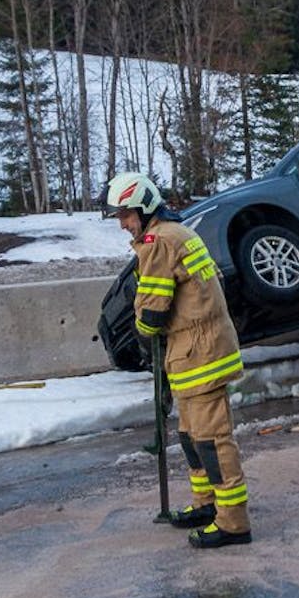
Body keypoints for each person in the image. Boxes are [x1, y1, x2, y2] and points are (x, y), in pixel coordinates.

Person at [103, 172, 251, 548]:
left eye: (125, 215)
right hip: (191, 354)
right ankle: (207, 504)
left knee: (213, 442)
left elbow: (152, 314)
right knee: (191, 437)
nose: (122, 224)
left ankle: (233, 522)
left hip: (200, 355)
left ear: (144, 208)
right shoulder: (176, 232)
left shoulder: (159, 242)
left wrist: (138, 333)